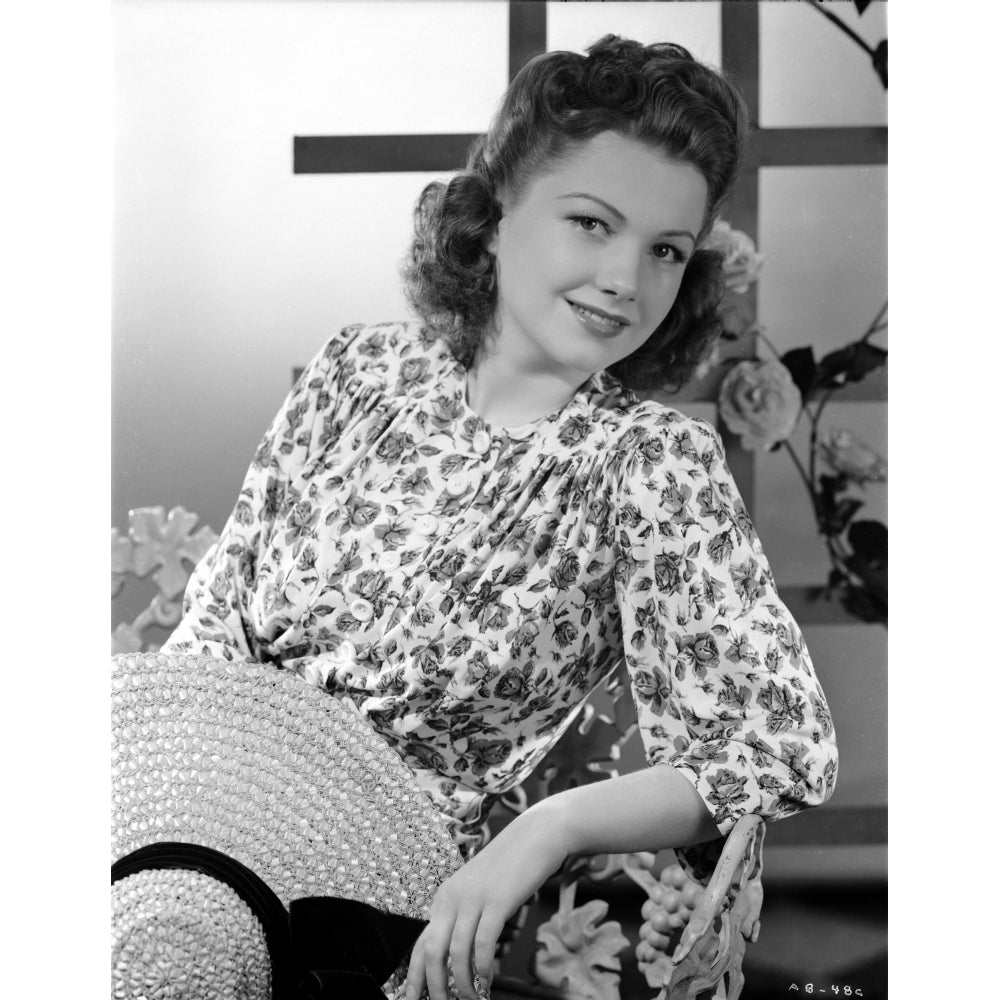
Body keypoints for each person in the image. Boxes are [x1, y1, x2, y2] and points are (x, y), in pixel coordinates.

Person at [163, 35, 838, 1000]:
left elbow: (773, 748)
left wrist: (546, 827)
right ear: (492, 218)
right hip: (204, 854)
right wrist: (177, 839)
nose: (625, 280)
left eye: (664, 251)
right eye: (592, 224)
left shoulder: (646, 464)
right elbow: (214, 626)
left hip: (380, 927)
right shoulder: (359, 371)